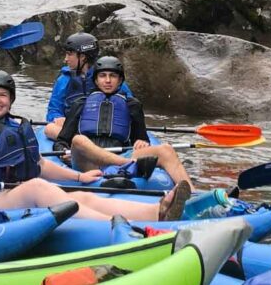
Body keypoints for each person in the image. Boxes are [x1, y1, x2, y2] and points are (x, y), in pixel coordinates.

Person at [0, 71, 187, 222]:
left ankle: (156, 212)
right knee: (39, 188)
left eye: (3, 95)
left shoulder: (18, 126)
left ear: (11, 100)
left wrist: (80, 176)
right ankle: (119, 228)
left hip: (16, 193)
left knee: (83, 196)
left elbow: (39, 164)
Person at [61, 55, 194, 208]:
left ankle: (193, 196)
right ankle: (127, 165)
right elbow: (61, 142)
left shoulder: (132, 105)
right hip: (90, 163)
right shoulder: (80, 103)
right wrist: (64, 152)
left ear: (120, 80)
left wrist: (142, 143)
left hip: (121, 155)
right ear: (96, 80)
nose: (108, 80)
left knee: (166, 149)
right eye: (103, 76)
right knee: (78, 140)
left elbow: (142, 139)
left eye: (113, 76)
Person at [43, 33, 131, 142]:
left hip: (105, 127)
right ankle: (82, 145)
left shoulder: (106, 77)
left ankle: (84, 147)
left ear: (82, 57)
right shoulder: (63, 80)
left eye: (69, 54)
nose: (65, 59)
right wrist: (56, 117)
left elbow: (130, 104)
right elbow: (54, 109)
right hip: (74, 129)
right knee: (49, 129)